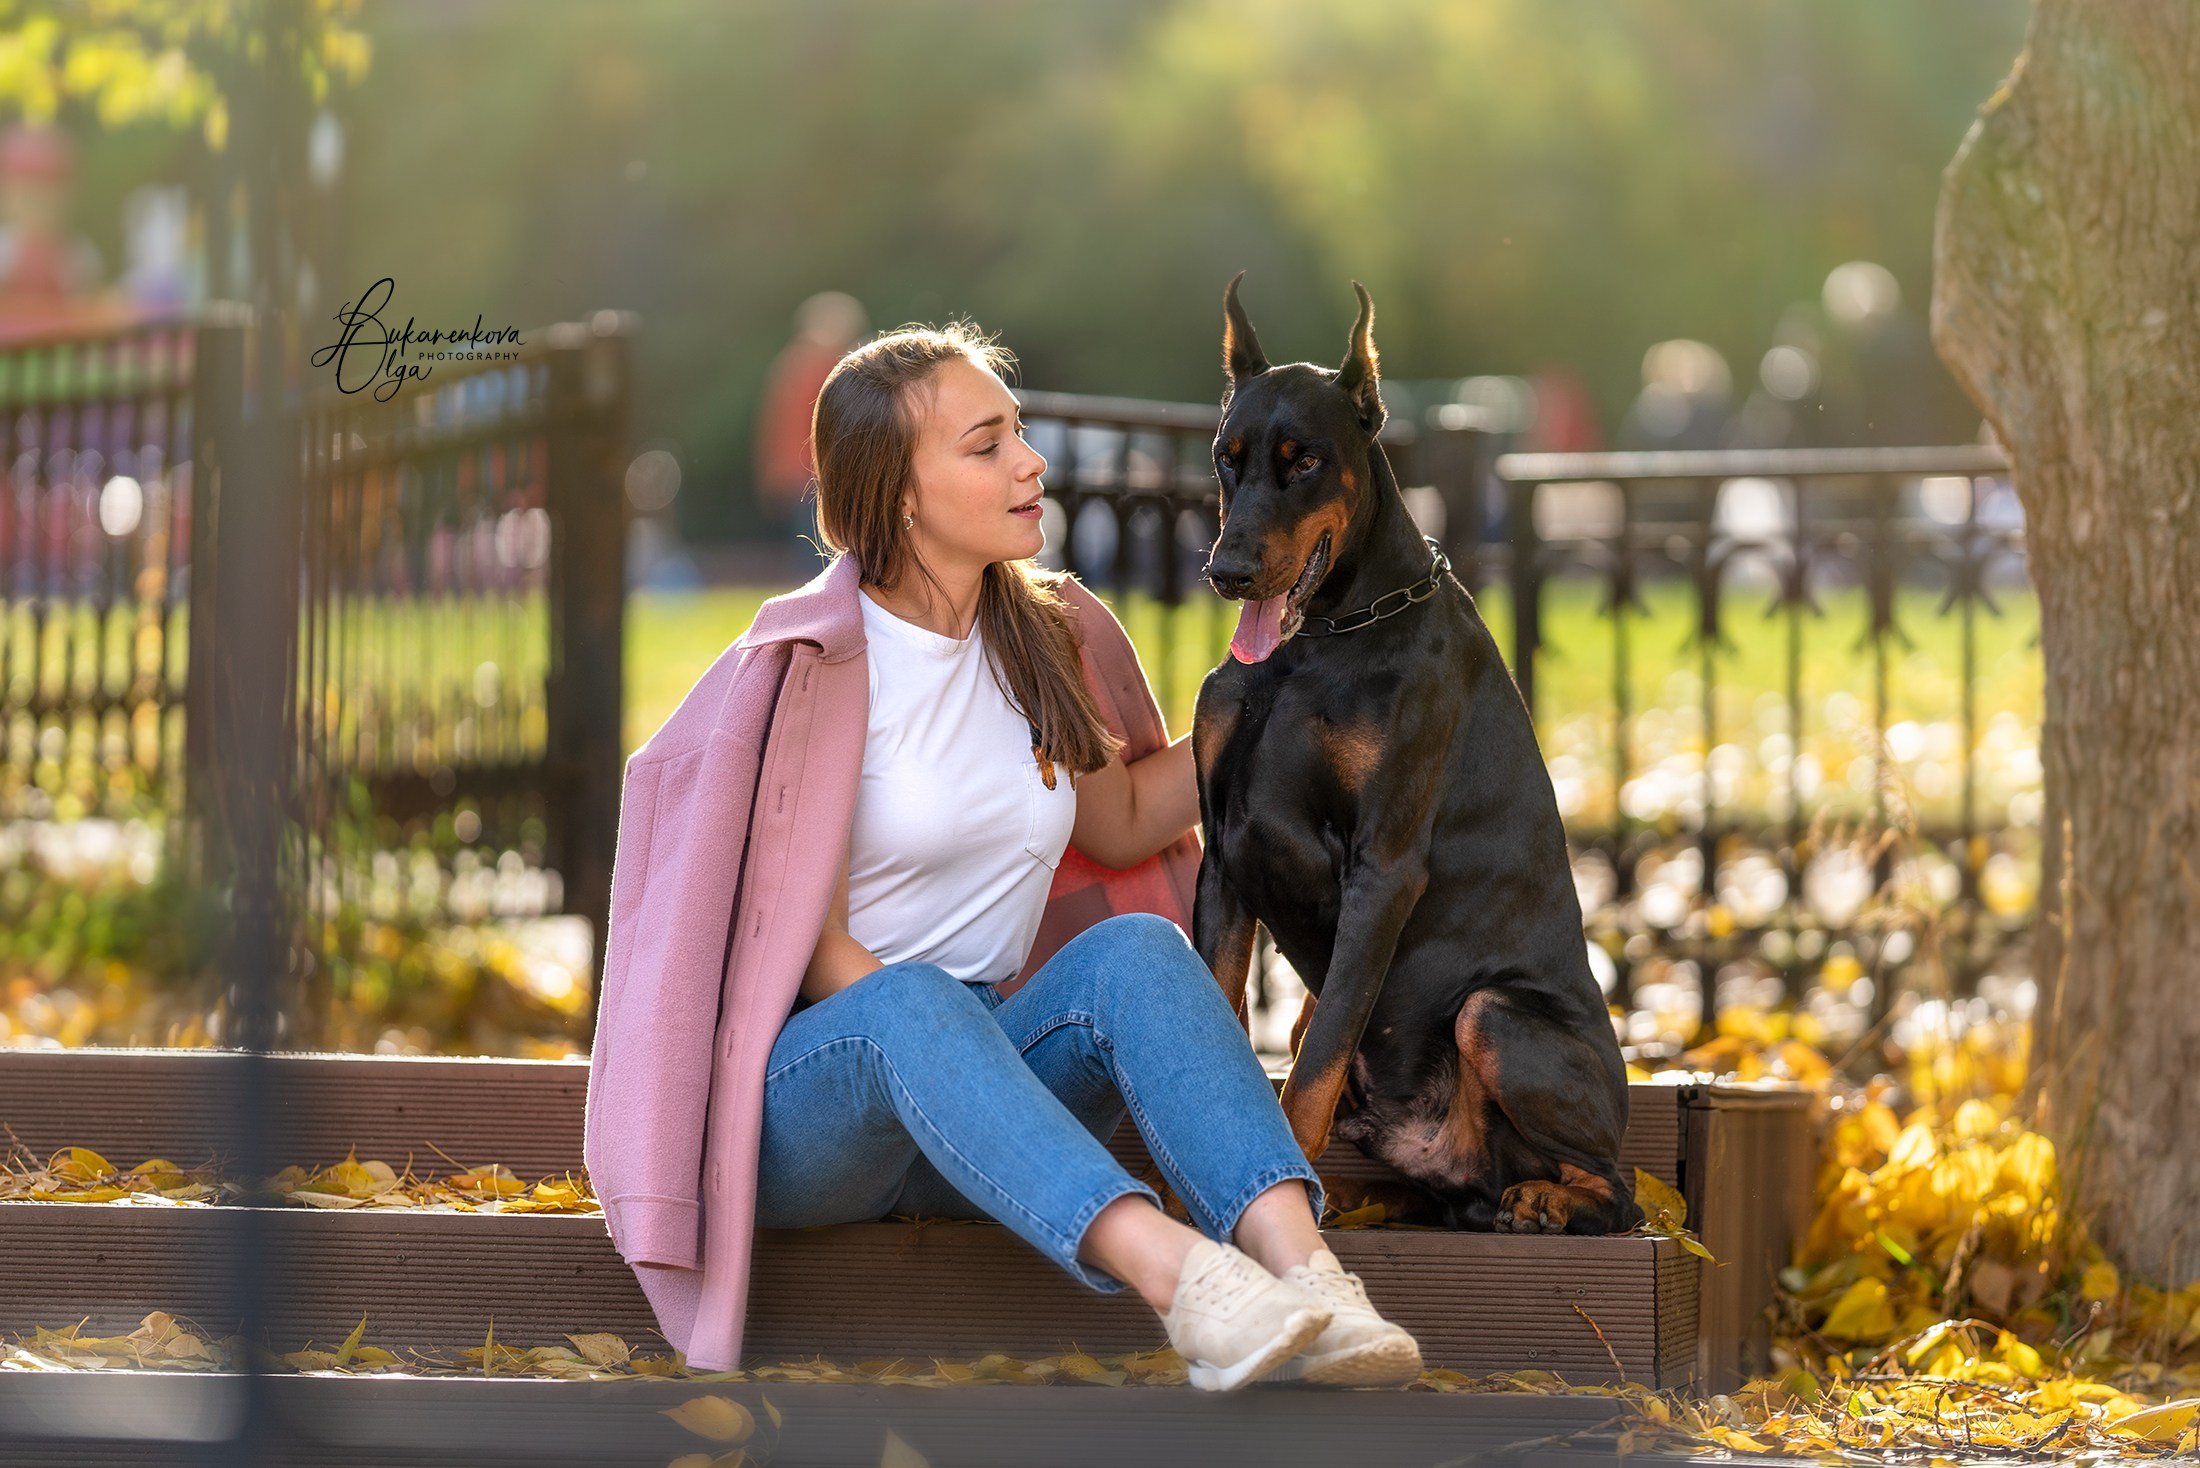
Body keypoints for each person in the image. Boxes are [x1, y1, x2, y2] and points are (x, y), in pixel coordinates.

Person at [753, 290, 868, 575]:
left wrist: (772, 474)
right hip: (817, 475)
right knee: (824, 557)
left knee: (813, 555)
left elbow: (770, 429)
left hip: (797, 475)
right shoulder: (826, 369)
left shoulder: (789, 364)